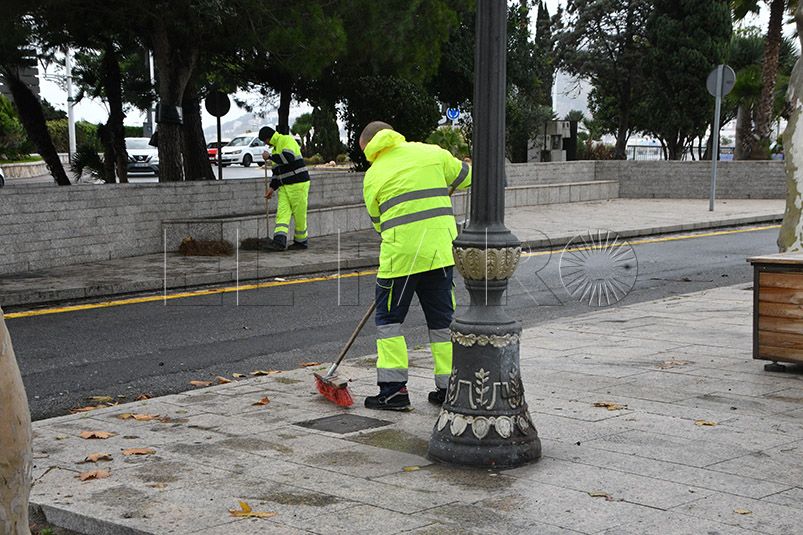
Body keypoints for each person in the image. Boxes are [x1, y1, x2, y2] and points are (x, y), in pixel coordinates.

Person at [360, 121, 471, 410]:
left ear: (370, 148)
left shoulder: (373, 175)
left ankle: (394, 391)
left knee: (389, 324)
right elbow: (468, 177)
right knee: (443, 323)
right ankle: (450, 388)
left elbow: (378, 223)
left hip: (400, 260)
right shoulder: (431, 153)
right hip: (440, 254)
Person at [258, 126, 310, 251]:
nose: (266, 144)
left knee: (299, 215)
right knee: (282, 214)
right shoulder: (276, 149)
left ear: (268, 138)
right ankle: (279, 242)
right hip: (285, 187)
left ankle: (301, 242)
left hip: (298, 184)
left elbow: (288, 158)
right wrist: (271, 188)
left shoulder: (286, 140)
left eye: (265, 141)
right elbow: (277, 173)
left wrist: (270, 157)